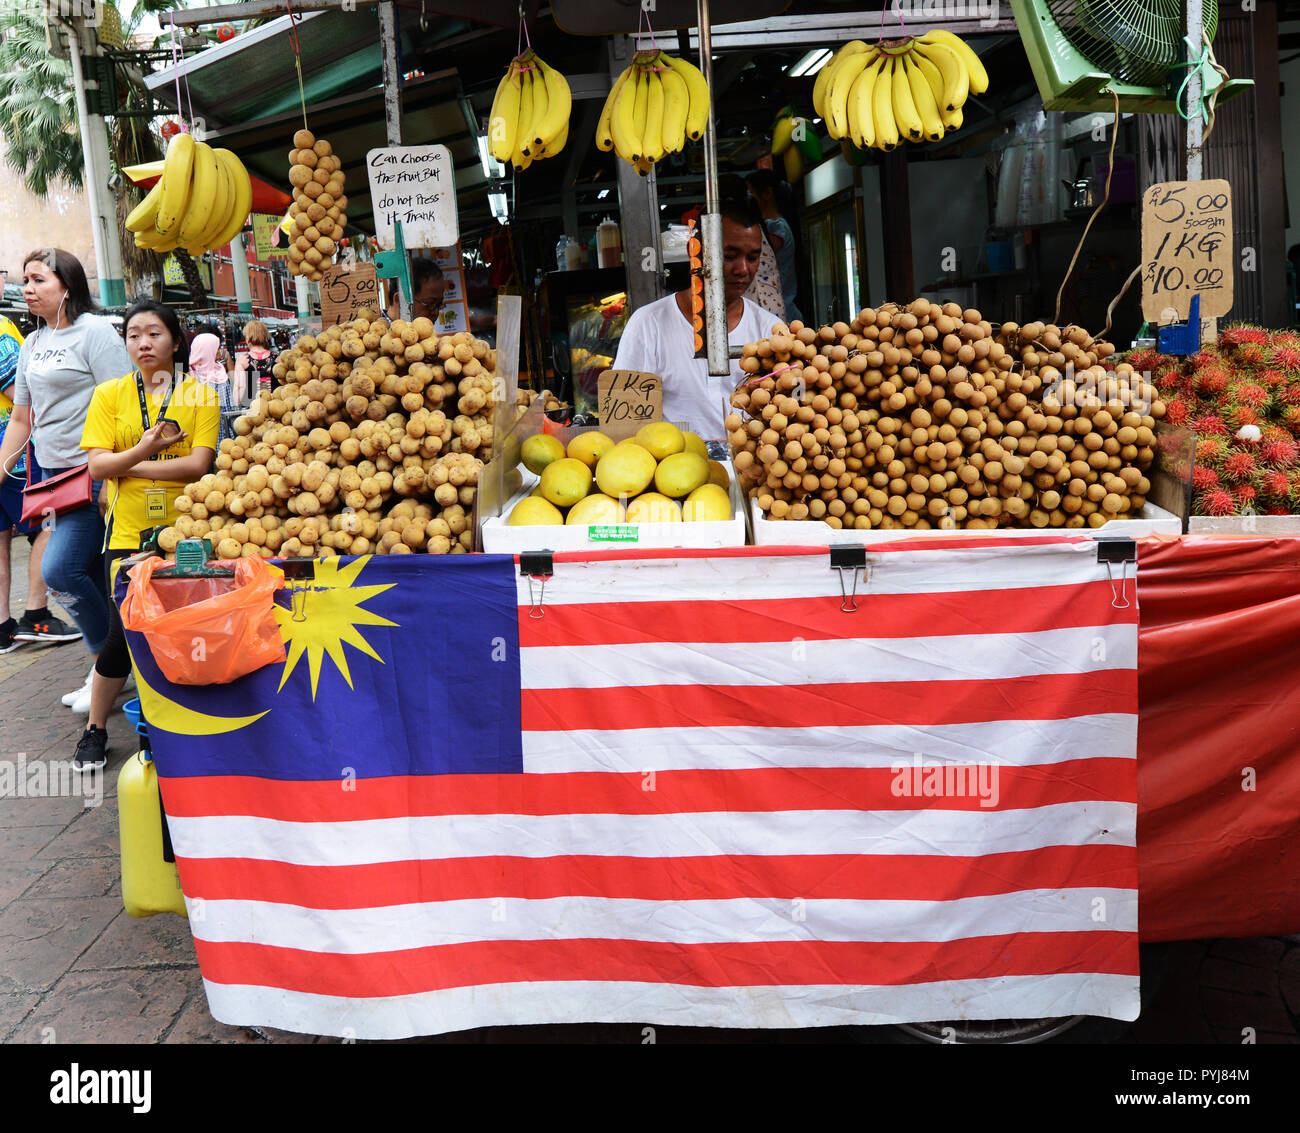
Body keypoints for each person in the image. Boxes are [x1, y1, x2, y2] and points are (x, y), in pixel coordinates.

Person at [74, 300, 219, 771]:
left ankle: (168, 726)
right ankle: (95, 729)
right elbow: (97, 466)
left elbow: (199, 465)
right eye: (134, 334)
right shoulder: (109, 394)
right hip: (126, 531)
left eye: (154, 333)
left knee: (178, 628)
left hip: (187, 531)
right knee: (122, 633)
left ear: (175, 341)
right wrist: (147, 451)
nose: (143, 343)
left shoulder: (200, 394)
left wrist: (128, 465)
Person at [0, 250, 132, 705]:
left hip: (94, 475)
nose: (28, 288)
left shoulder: (95, 333)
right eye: (25, 280)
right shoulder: (33, 342)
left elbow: (123, 405)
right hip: (54, 479)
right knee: (94, 577)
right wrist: (1, 469)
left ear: (67, 285)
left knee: (59, 571)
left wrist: (114, 473)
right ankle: (114, 667)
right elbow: (21, 417)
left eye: (38, 279)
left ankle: (105, 668)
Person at [612, 197, 782, 438]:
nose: (743, 269)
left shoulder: (770, 330)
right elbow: (625, 421)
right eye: (730, 256)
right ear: (695, 251)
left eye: (753, 258)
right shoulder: (648, 324)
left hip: (753, 469)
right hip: (673, 469)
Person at [1, 312, 77, 652]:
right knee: (51, 521)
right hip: (12, 452)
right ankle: (36, 615)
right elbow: (22, 396)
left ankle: (3, 627)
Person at [747, 169, 803, 323]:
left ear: (767, 193)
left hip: (779, 310)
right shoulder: (770, 226)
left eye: (750, 193)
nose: (748, 199)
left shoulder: (778, 228)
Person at [387, 258, 446, 322]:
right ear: (400, 300)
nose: (436, 313)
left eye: (439, 304)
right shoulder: (379, 331)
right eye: (430, 304)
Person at [233, 319, 273, 402]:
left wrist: (236, 401)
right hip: (275, 406)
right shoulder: (276, 358)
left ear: (248, 339)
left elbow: (240, 389)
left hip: (252, 407)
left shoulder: (242, 360)